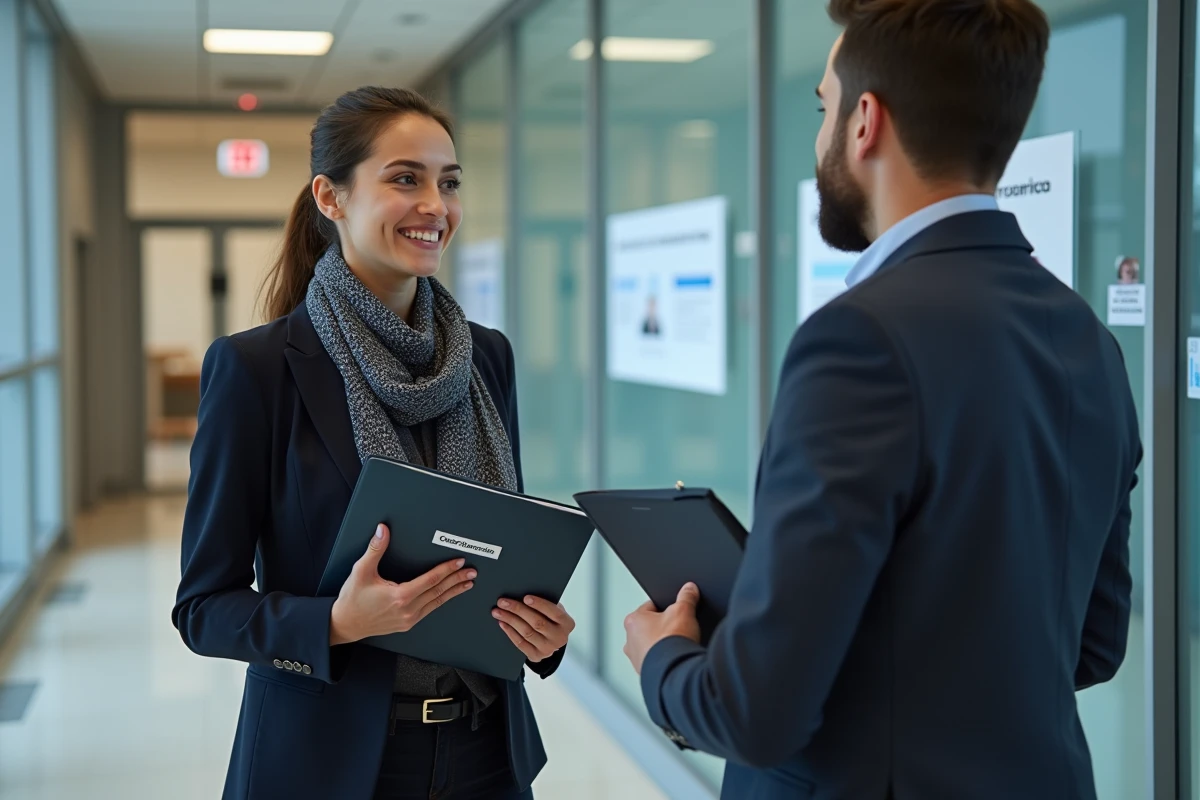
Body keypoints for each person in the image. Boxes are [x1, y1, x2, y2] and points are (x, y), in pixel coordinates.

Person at [621, 2, 1142, 799]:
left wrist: (664, 659)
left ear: (865, 122)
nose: (822, 132)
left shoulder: (859, 338)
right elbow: (1094, 644)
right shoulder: (1088, 340)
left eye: (824, 107)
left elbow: (755, 713)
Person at [172, 87, 575, 800]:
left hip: (486, 753)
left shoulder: (488, 358)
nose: (436, 206)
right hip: (327, 763)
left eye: (448, 183)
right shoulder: (257, 369)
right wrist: (333, 621)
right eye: (404, 178)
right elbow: (204, 608)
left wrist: (542, 636)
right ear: (330, 197)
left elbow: (500, 545)